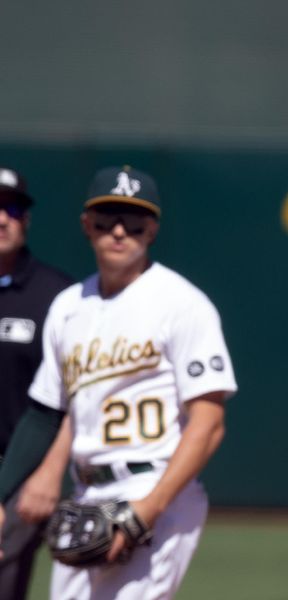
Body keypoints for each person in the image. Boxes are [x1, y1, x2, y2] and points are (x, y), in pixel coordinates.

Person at [0, 165, 237, 600]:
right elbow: (45, 413)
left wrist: (150, 509)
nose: (120, 230)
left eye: (135, 219)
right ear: (88, 226)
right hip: (86, 493)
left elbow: (209, 423)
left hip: (156, 488)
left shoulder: (182, 304)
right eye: (108, 217)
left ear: (153, 229)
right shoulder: (69, 307)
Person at [0, 167, 73, 600]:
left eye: (12, 207)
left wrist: (47, 472)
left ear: (26, 218)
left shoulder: (57, 297)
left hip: (24, 470)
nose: (2, 218)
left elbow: (76, 395)